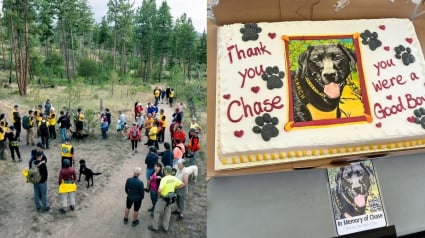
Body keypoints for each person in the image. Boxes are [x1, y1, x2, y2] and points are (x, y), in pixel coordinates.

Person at [148, 166, 184, 233]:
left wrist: (159, 196)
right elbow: (182, 184)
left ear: (165, 171)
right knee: (167, 213)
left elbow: (159, 190)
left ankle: (155, 227)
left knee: (156, 212)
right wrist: (175, 187)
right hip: (171, 198)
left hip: (163, 198)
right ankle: (165, 227)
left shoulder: (164, 179)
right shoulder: (174, 178)